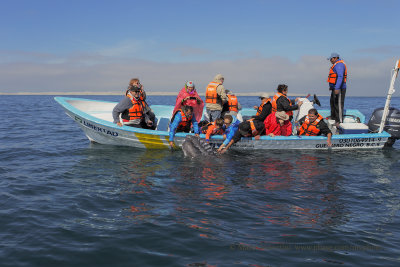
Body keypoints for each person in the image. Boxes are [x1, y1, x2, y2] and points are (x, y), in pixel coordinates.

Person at [327, 52, 347, 126]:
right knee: (332, 103)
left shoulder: (339, 65)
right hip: (334, 88)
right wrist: (331, 87)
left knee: (338, 104)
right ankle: (333, 117)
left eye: (331, 59)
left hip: (339, 89)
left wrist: (337, 87)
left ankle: (339, 121)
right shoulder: (335, 65)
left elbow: (340, 77)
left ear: (335, 58)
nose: (330, 60)